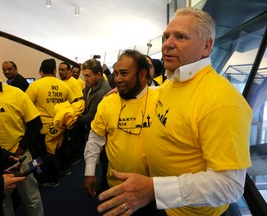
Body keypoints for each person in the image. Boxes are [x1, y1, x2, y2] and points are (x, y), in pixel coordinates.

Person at [97, 8, 252, 216]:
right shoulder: (173, 83)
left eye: (180, 37)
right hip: (169, 206)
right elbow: (163, 96)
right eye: (166, 36)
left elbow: (229, 185)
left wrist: (155, 190)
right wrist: (123, 89)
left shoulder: (222, 101)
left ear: (206, 46)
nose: (167, 44)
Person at [83, 50, 159, 215]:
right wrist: (89, 171)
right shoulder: (107, 103)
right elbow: (95, 139)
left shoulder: (162, 98)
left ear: (142, 74)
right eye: (116, 73)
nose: (117, 79)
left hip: (151, 190)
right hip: (115, 186)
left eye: (124, 73)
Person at [0, 50, 44, 216]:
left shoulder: (15, 93)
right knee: (1, 203)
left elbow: (36, 124)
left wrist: (22, 148)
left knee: (32, 197)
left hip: (19, 157)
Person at [26, 58, 77, 186]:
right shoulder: (64, 85)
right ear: (55, 70)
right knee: (62, 148)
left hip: (44, 128)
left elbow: (26, 106)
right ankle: (65, 169)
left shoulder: (35, 85)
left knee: (48, 154)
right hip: (61, 125)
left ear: (40, 71)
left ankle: (52, 179)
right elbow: (73, 103)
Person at [74, 59, 111, 166]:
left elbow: (91, 117)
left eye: (88, 76)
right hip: (91, 129)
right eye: (84, 76)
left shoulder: (103, 92)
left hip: (101, 134)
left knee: (103, 161)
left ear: (99, 75)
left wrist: (71, 119)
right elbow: (84, 101)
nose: (85, 79)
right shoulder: (89, 85)